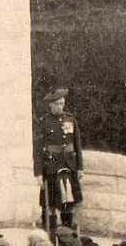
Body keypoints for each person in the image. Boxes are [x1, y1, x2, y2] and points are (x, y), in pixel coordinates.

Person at [35, 88, 84, 235]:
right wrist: (38, 173)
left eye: (62, 103)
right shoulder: (44, 122)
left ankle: (67, 237)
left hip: (69, 166)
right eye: (57, 104)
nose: (60, 106)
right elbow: (37, 150)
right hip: (51, 168)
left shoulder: (70, 119)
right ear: (51, 104)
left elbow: (77, 145)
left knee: (68, 204)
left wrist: (80, 167)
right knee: (49, 205)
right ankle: (50, 236)